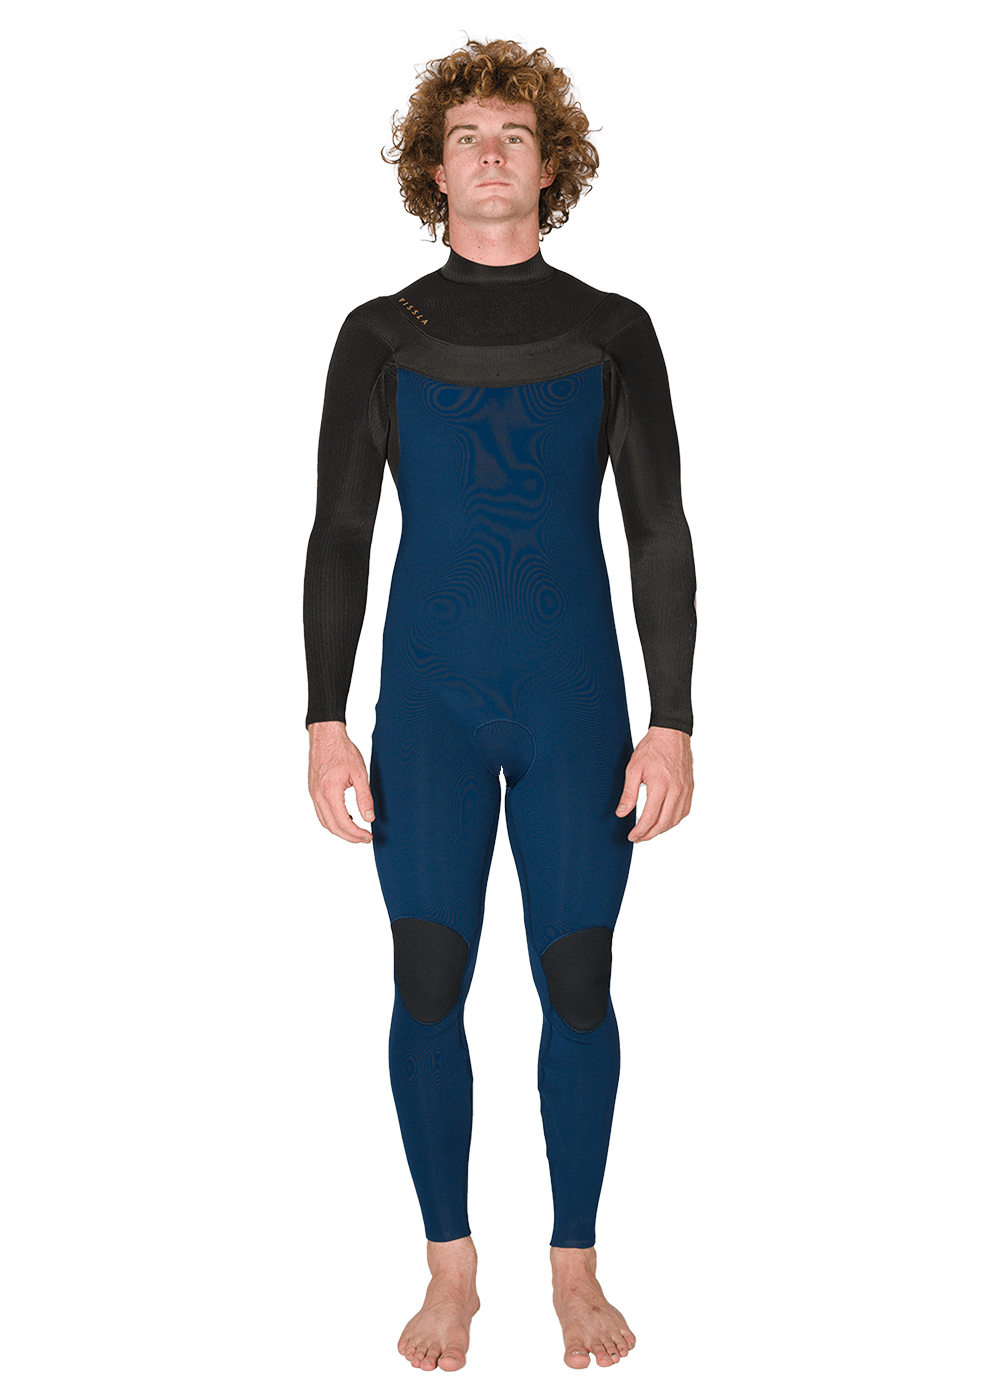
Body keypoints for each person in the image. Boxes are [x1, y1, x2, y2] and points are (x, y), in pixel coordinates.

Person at [302, 33, 696, 1373]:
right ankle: (451, 1270)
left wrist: (674, 718)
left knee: (578, 980)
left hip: (579, 703)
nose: (489, 154)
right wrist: (322, 717)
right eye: (465, 136)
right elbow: (340, 533)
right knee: (428, 977)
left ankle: (575, 1264)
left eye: (514, 137)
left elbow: (659, 531)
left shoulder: (614, 329)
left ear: (550, 169)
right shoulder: (380, 334)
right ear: (431, 168)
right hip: (427, 707)